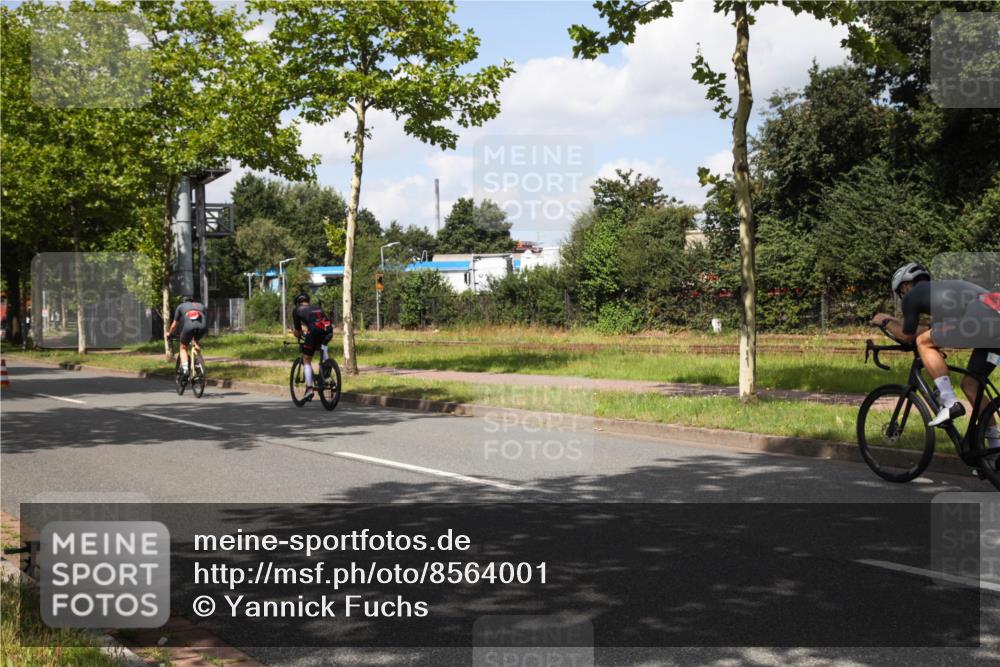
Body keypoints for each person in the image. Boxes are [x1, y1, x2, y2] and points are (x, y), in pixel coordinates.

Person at [871, 263, 1000, 435]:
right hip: (993, 321)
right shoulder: (945, 294)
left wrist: (884, 320)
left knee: (923, 343)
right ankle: (992, 451)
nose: (903, 297)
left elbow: (908, 336)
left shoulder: (913, 296)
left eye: (901, 293)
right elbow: (928, 331)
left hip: (981, 317)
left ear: (905, 285)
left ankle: (949, 403)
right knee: (971, 386)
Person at [291, 293, 334, 401]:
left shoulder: (297, 310)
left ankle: (309, 389)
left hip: (314, 331)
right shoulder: (317, 307)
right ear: (308, 301)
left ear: (298, 303)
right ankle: (326, 371)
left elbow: (298, 331)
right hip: (328, 330)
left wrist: (296, 334)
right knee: (323, 346)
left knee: (306, 359)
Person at [167, 296, 207, 378]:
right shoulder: (201, 305)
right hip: (203, 327)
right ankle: (198, 363)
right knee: (196, 343)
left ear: (183, 302)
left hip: (189, 327)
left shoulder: (181, 306)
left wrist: (169, 333)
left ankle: (185, 370)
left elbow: (174, 325)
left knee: (183, 347)